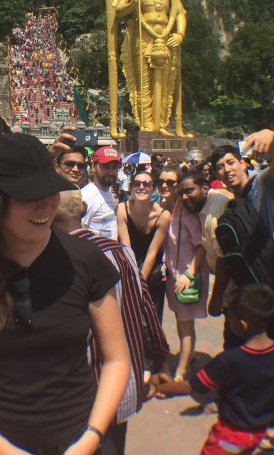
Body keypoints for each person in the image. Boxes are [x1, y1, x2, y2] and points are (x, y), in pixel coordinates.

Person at [0, 132, 130, 454]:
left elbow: (116, 359)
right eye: (29, 195)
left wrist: (91, 437)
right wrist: (1, 450)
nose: (46, 205)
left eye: (50, 191)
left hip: (79, 439)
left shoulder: (86, 259)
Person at [209, 132, 274, 450]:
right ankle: (268, 412)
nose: (227, 169)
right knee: (269, 356)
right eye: (220, 166)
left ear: (243, 164)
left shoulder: (263, 184)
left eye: (231, 162)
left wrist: (273, 139)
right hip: (265, 290)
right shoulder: (231, 204)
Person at [150, 284, 274, 455]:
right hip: (258, 434)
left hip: (229, 438)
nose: (229, 321)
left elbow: (188, 387)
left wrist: (155, 388)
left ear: (242, 325)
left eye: (230, 317)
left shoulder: (229, 360)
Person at [54, 190, 170, 455]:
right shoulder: (122, 252)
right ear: (83, 210)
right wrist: (160, 355)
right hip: (122, 385)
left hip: (81, 391)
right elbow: (146, 307)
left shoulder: (61, 258)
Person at [106, 0, 189, 137]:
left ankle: (162, 123)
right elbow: (118, 11)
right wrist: (133, 3)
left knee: (166, 82)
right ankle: (146, 124)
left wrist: (180, 32)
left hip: (166, 36)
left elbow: (179, 12)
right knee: (144, 82)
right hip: (142, 36)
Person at [167, 174, 211, 382]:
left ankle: (182, 371)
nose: (165, 186)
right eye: (161, 182)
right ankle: (190, 354)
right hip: (174, 275)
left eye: (171, 183)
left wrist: (189, 274)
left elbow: (202, 246)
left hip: (187, 276)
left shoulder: (188, 213)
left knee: (185, 323)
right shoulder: (168, 207)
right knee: (180, 318)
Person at [117, 171, 170, 322]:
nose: (141, 187)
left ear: (153, 190)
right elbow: (126, 247)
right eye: (137, 184)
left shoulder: (163, 215)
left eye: (147, 184)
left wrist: (140, 284)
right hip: (129, 267)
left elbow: (152, 252)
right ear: (131, 188)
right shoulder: (122, 209)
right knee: (129, 320)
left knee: (151, 321)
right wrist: (132, 282)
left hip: (152, 272)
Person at [81, 146, 122, 240]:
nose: (110, 172)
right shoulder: (86, 196)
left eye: (114, 167)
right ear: (93, 167)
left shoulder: (109, 193)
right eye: (105, 167)